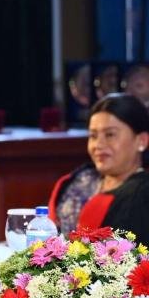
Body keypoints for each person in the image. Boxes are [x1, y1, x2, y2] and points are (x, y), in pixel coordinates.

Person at [50, 92, 149, 240]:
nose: (98, 145)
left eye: (110, 135)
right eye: (93, 136)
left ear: (141, 141)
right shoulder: (76, 183)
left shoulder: (142, 194)